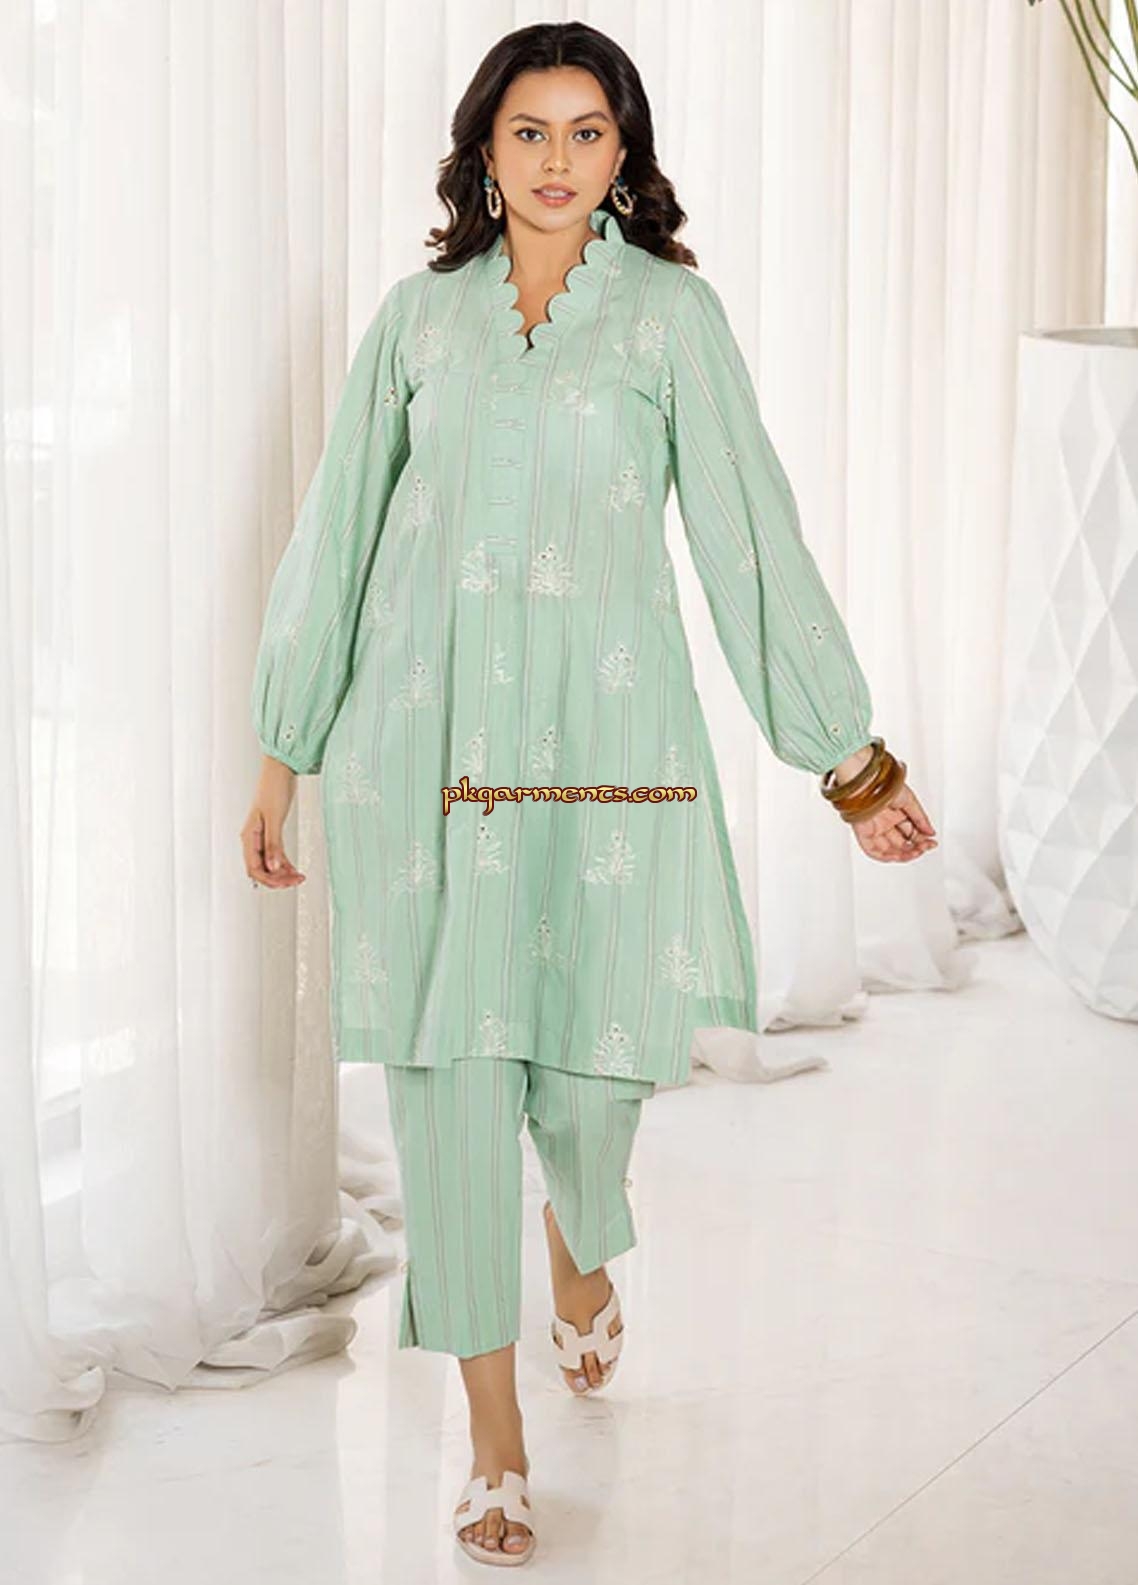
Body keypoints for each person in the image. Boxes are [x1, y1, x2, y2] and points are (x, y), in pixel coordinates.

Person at [240, 20, 936, 1567]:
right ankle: (493, 1440)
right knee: (447, 1089)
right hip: (417, 757)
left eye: (586, 133)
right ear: (482, 153)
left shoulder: (670, 319)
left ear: (624, 154)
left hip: (605, 754)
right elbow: (337, 533)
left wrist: (846, 756)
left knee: (588, 1074)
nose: (556, 161)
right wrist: (285, 752)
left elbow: (748, 534)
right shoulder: (418, 321)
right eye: (528, 132)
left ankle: (581, 1236)